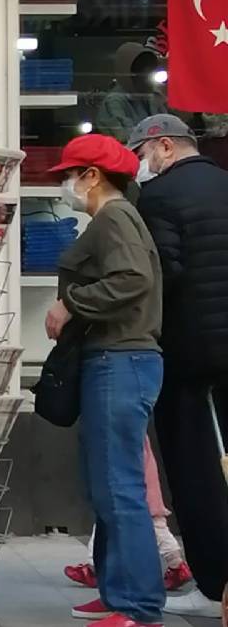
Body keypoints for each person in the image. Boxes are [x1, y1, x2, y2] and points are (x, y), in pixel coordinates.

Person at [45, 133, 165, 627]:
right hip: (113, 358)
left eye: (71, 174)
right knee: (107, 486)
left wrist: (72, 303)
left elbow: (132, 278)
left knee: (119, 487)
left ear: (92, 176)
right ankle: (120, 593)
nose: (68, 184)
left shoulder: (115, 217)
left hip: (120, 359)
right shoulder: (114, 218)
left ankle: (137, 605)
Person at [128, 114, 228, 619]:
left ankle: (215, 583)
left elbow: (162, 272)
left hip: (190, 354)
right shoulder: (224, 184)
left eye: (143, 154)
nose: (142, 166)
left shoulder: (161, 198)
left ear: (164, 146)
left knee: (196, 471)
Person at [63, 436, 192, 592]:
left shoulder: (122, 432)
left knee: (107, 522)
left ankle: (94, 568)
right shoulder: (137, 431)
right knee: (157, 525)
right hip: (145, 485)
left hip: (133, 486)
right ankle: (177, 565)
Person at [96, 43, 168, 142]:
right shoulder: (115, 100)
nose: (146, 74)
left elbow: (168, 126)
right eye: (141, 69)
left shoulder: (153, 96)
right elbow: (125, 137)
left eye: (149, 69)